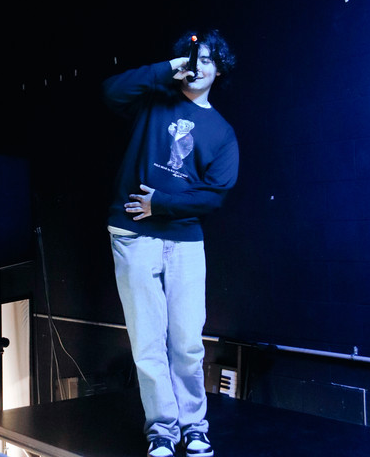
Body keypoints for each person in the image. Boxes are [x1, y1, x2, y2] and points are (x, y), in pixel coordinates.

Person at [102, 29, 239, 457]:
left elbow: (214, 196)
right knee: (147, 342)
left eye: (208, 60)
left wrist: (160, 204)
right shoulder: (154, 99)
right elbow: (110, 92)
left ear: (220, 70)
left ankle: (194, 426)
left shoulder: (222, 132)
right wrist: (167, 69)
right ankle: (162, 429)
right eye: (193, 59)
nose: (199, 67)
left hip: (184, 243)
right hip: (133, 236)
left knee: (187, 342)